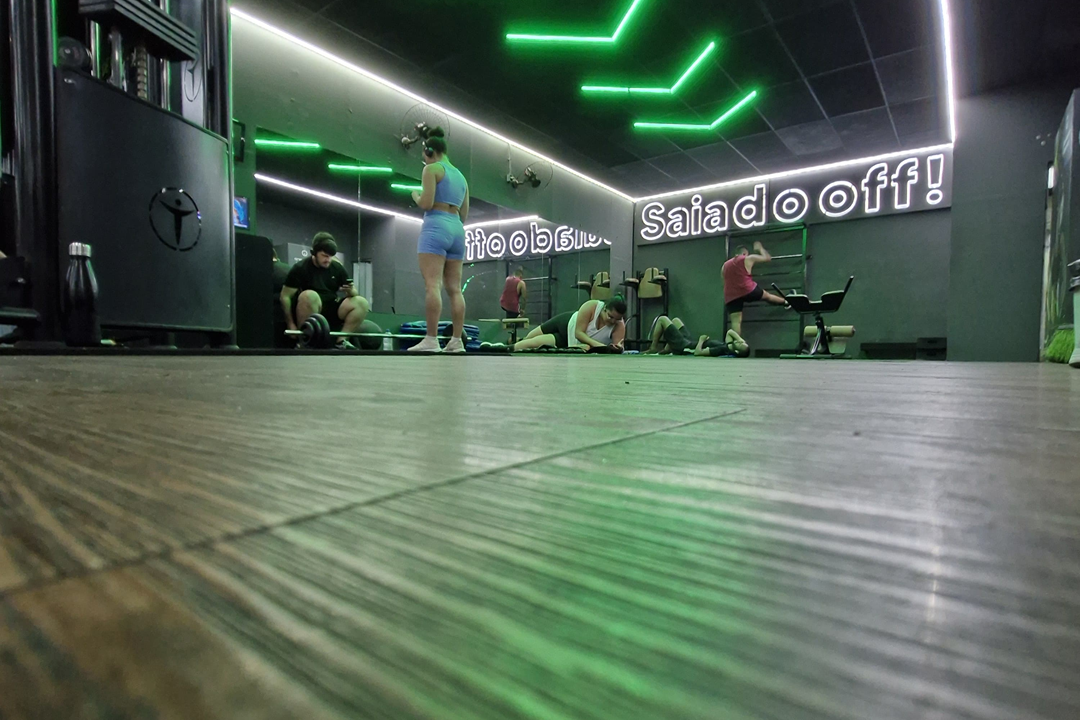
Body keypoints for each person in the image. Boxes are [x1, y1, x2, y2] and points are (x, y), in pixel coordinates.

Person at [410, 127, 469, 353]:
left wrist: (415, 196)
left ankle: (431, 339)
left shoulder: (432, 169)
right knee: (455, 289)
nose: (424, 160)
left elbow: (426, 203)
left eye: (424, 156)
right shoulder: (462, 177)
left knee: (432, 285)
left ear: (429, 151)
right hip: (457, 229)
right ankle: (457, 341)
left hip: (436, 225)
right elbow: (464, 214)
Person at [280, 232, 370, 349]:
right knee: (309, 295)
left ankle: (341, 341)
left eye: (330, 256)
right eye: (324, 256)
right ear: (314, 253)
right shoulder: (300, 268)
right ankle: (306, 341)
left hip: (332, 308)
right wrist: (290, 324)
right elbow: (285, 296)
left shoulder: (336, 268)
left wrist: (351, 290)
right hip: (311, 309)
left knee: (361, 302)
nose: (328, 260)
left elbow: (354, 293)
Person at [493, 297, 626, 352]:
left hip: (567, 341)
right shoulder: (591, 306)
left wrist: (618, 348)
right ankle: (501, 347)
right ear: (604, 308)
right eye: (610, 317)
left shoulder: (619, 325)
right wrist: (600, 346)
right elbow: (578, 333)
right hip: (565, 323)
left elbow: (616, 348)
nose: (613, 321)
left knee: (533, 343)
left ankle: (507, 348)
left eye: (617, 319)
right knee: (529, 337)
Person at [722, 241, 787, 336]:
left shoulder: (724, 265)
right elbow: (767, 258)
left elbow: (723, 282)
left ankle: (736, 344)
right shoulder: (748, 258)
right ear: (744, 253)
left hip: (730, 295)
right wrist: (760, 248)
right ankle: (786, 302)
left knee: (736, 322)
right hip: (747, 289)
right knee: (767, 296)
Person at [645, 315, 749, 358]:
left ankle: (653, 348)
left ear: (737, 351)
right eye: (742, 342)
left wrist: (701, 340)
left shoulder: (721, 350)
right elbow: (730, 332)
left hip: (684, 347)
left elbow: (698, 353)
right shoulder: (729, 345)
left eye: (741, 344)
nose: (739, 342)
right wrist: (740, 339)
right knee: (676, 320)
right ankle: (668, 349)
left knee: (662, 319)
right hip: (689, 342)